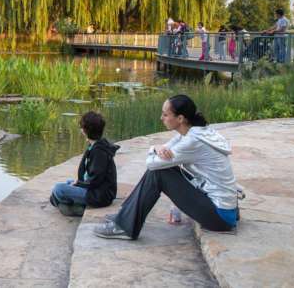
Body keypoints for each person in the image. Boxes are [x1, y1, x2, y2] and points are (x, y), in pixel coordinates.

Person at [93, 95, 240, 240]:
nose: (161, 118)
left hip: (220, 217)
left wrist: (153, 149)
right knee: (164, 169)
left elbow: (152, 164)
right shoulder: (193, 131)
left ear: (180, 118)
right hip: (221, 205)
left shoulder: (193, 141)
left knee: (158, 174)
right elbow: (165, 149)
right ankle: (125, 215)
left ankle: (124, 227)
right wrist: (159, 149)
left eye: (165, 114)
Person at [50, 111, 119, 217]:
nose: (81, 129)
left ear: (85, 130)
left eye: (82, 127)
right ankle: (68, 204)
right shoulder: (96, 145)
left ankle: (75, 207)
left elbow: (95, 180)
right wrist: (77, 183)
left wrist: (79, 184)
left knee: (58, 189)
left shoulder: (99, 152)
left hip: (100, 195)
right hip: (95, 189)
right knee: (67, 183)